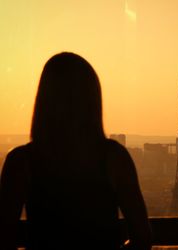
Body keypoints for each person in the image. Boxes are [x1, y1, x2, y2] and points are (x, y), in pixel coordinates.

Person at [0, 52, 152, 250]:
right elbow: (142, 238)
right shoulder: (115, 158)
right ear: (92, 100)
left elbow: (3, 237)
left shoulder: (21, 162)